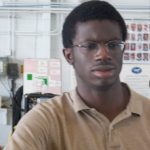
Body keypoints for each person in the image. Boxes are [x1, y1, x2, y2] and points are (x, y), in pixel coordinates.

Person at [5, 1, 150, 150]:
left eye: (113, 45)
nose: (104, 54)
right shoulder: (43, 121)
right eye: (89, 46)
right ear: (69, 55)